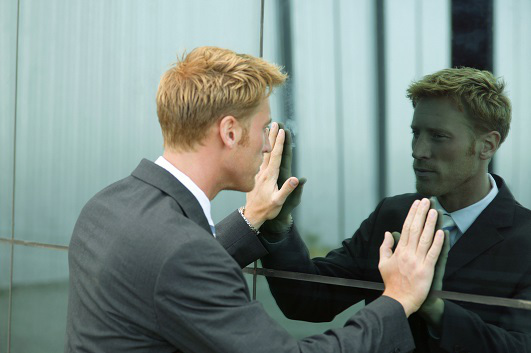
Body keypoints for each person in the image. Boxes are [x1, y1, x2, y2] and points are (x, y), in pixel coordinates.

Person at [64, 46, 445, 353]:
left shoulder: (108, 205)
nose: (268, 144)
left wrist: (253, 216)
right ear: (229, 132)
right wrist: (398, 299)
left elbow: (165, 278)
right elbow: (182, 265)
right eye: (264, 128)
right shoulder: (183, 254)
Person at [251, 67, 531, 352]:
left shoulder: (526, 240)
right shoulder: (393, 213)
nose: (418, 150)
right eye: (416, 133)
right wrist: (278, 224)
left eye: (438, 136)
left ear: (488, 145)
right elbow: (309, 301)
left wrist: (435, 309)